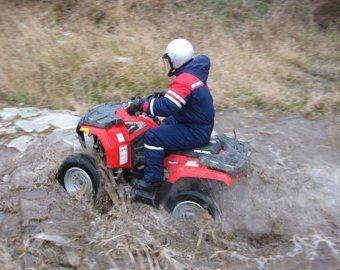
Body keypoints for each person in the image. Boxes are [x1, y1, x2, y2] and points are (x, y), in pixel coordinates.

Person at [129, 38, 215, 191]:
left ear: (176, 60)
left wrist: (142, 104)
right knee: (163, 123)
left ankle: (152, 181)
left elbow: (166, 107)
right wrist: (166, 94)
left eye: (168, 59)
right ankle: (158, 162)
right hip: (197, 123)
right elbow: (183, 98)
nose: (167, 63)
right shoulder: (194, 73)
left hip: (195, 130)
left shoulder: (185, 80)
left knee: (153, 137)